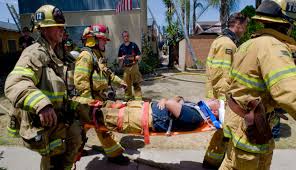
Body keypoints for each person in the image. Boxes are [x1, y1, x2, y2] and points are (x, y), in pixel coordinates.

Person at [220, 0, 296, 169]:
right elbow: (289, 92)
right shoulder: (273, 47)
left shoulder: (248, 44)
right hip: (252, 129)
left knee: (230, 164)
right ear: (287, 24)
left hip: (238, 121)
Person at [5, 5, 82, 170]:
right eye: (57, 26)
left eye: (63, 26)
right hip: (47, 129)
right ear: (43, 29)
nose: (62, 30)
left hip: (64, 126)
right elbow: (15, 83)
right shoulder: (34, 54)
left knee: (66, 163)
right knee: (51, 165)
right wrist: (42, 104)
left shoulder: (64, 56)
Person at [74, 24, 129, 165]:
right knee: (102, 127)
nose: (105, 42)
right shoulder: (86, 56)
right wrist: (89, 104)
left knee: (81, 130)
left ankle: (75, 152)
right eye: (103, 40)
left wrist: (120, 82)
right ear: (93, 40)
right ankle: (114, 155)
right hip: (89, 101)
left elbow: (108, 74)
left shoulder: (97, 56)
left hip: (97, 98)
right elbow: (81, 82)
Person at [203, 12, 248, 168]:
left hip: (220, 94)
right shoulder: (228, 44)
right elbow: (223, 75)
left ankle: (211, 161)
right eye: (245, 26)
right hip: (223, 96)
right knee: (223, 130)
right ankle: (211, 163)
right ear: (238, 25)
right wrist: (224, 100)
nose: (245, 29)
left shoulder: (222, 41)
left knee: (222, 131)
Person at [77, 96, 223, 134]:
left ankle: (70, 111)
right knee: (104, 105)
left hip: (142, 117)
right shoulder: (196, 109)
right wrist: (174, 99)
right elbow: (178, 98)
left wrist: (166, 100)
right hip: (143, 111)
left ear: (214, 111)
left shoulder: (196, 116)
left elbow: (171, 104)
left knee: (98, 115)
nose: (212, 99)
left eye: (215, 102)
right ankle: (74, 105)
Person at [118, 30, 143, 101]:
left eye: (127, 36)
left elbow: (139, 55)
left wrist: (133, 58)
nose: (126, 37)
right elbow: (119, 57)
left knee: (136, 83)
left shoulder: (133, 45)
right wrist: (122, 58)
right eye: (124, 36)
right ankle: (128, 97)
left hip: (134, 66)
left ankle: (138, 98)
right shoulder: (121, 47)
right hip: (126, 68)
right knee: (126, 84)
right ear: (123, 37)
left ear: (129, 36)